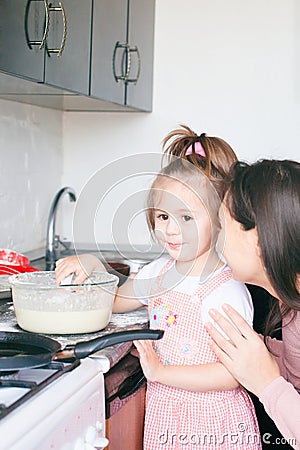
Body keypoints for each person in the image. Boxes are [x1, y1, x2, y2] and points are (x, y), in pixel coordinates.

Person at [56, 126, 262, 450]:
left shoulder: (225, 290)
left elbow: (234, 374)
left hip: (212, 422)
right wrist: (95, 266)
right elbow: (115, 300)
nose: (171, 229)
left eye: (187, 217)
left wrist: (161, 372)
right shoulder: (160, 272)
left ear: (220, 218)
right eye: (163, 216)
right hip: (167, 413)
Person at [203, 159, 300, 449]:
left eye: (222, 226)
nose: (214, 239)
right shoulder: (288, 301)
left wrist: (267, 383)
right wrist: (261, 354)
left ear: (257, 238)